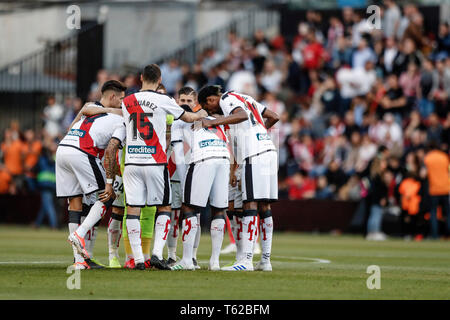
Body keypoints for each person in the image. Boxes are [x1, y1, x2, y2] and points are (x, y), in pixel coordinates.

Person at [120, 64, 207, 270]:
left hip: (132, 161)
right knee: (164, 206)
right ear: (159, 80)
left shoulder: (127, 101)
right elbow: (188, 117)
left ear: (141, 78)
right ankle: (157, 253)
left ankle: (139, 259)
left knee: (133, 208)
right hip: (155, 161)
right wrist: (201, 113)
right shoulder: (165, 100)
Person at [197, 85, 279, 271]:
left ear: (211, 100)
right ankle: (265, 261)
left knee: (250, 204)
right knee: (265, 206)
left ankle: (246, 261)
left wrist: (212, 123)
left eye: (208, 107)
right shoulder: (246, 97)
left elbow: (241, 115)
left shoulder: (226, 99)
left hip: (254, 154)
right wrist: (259, 134)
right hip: (268, 149)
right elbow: (274, 116)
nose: (211, 111)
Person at [58, 80, 127, 270]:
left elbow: (77, 119)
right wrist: (110, 182)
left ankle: (79, 261)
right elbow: (112, 149)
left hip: (63, 148)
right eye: (121, 98)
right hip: (83, 152)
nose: (123, 102)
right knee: (107, 195)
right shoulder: (122, 118)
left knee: (75, 200)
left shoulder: (90, 108)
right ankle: (79, 234)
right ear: (112, 97)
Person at [169, 89, 230, 271]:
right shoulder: (213, 118)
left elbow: (179, 156)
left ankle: (187, 260)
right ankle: (215, 262)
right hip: (224, 157)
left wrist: (183, 179)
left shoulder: (179, 121)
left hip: (204, 156)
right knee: (218, 209)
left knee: (189, 207)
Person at [166, 86, 202, 269]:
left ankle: (192, 256)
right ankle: (171, 255)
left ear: (195, 103)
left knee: (194, 216)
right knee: (172, 215)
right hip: (173, 173)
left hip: (193, 172)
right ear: (177, 101)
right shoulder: (170, 118)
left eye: (189, 101)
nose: (186, 104)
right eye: (183, 101)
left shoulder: (201, 119)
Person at [423, 143, 450, 239]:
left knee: (433, 213)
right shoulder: (444, 157)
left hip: (434, 189)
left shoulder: (428, 158)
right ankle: (448, 234)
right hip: (446, 188)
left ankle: (435, 235)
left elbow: (423, 174)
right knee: (447, 213)